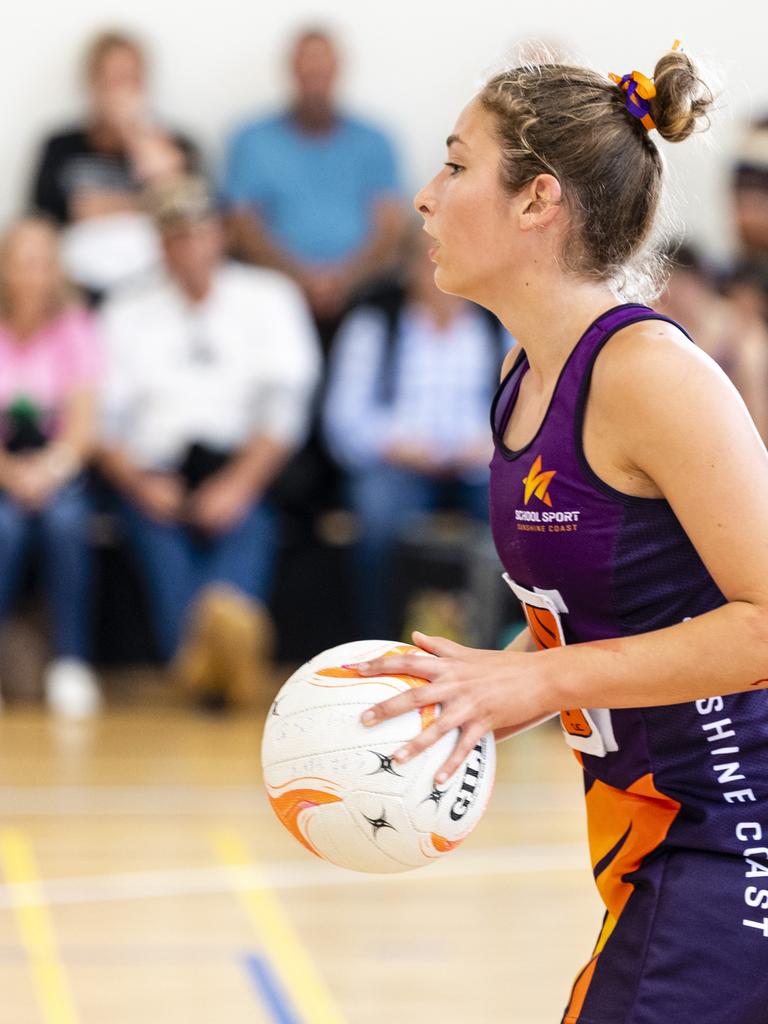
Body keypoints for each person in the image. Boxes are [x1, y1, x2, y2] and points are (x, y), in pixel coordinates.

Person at [346, 42, 768, 1024]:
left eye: (455, 164)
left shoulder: (647, 373)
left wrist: (539, 681)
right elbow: (615, 607)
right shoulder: (524, 374)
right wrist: (483, 685)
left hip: (734, 841)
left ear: (538, 200)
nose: (425, 196)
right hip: (652, 838)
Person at [97, 178, 320, 707]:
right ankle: (215, 655)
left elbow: (287, 410)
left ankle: (211, 651)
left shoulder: (268, 297)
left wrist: (239, 484)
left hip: (243, 466)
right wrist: (138, 482)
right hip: (153, 472)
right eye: (175, 237)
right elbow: (102, 419)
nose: (189, 248)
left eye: (198, 234)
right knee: (159, 535)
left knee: (246, 523)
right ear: (160, 244)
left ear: (220, 236)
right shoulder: (125, 310)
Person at [324, 227, 509, 636]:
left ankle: (497, 637)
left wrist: (486, 445)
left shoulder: (500, 326)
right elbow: (343, 419)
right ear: (408, 270)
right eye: (431, 265)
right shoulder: (374, 325)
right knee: (375, 514)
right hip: (397, 464)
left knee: (516, 517)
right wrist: (395, 444)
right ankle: (376, 637)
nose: (441, 278)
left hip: (480, 464)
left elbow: (527, 409)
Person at [223, 26, 406, 344]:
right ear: (290, 72)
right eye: (306, 68)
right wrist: (299, 280)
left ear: (338, 71)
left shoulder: (375, 141)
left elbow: (390, 227)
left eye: (322, 68)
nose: (314, 79)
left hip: (361, 294)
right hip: (275, 292)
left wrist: (343, 281)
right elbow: (242, 227)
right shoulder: (252, 140)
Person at [0, 217, 102, 717]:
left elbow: (83, 423)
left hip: (57, 473)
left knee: (66, 523)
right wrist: (11, 475)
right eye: (25, 261)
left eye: (45, 262)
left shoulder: (75, 327)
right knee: (4, 529)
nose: (36, 274)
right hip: (4, 476)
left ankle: (71, 660)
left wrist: (47, 471)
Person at [30, 29, 198, 300]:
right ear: (92, 83)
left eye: (130, 79)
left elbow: (185, 211)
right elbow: (44, 219)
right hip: (79, 286)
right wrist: (143, 205)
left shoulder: (176, 145)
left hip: (159, 284)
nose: (120, 91)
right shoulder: (61, 146)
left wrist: (137, 134)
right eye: (111, 80)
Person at [656, 242, 768, 440]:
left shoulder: (742, 331)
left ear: (695, 283)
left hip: (740, 440)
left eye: (669, 288)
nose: (661, 299)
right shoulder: (665, 329)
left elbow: (758, 412)